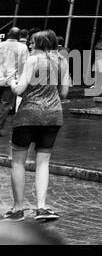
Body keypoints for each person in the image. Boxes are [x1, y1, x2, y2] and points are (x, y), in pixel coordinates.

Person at [5, 30, 70, 222]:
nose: (30, 45)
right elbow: (64, 93)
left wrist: (11, 81)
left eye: (33, 42)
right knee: (43, 162)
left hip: (28, 115)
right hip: (53, 116)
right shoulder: (63, 61)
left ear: (40, 43)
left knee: (18, 161)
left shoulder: (33, 61)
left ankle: (18, 209)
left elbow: (19, 90)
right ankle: (42, 207)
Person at [0, 28, 29, 138]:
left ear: (8, 34)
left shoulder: (0, 45)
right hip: (11, 81)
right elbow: (24, 65)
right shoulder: (22, 48)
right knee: (5, 104)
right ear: (18, 36)